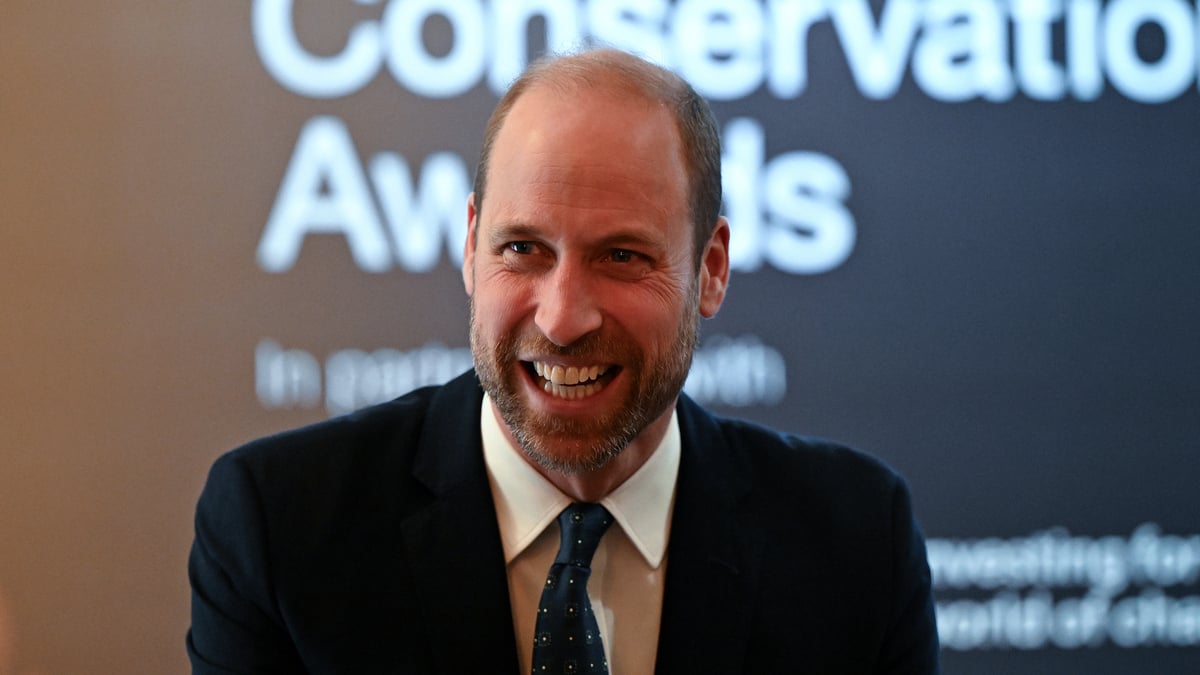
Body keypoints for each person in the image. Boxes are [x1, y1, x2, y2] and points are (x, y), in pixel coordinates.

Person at [187, 48, 940, 674]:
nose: (562, 316)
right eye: (523, 249)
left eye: (621, 255)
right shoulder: (281, 529)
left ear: (711, 269)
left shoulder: (856, 542)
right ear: (470, 246)